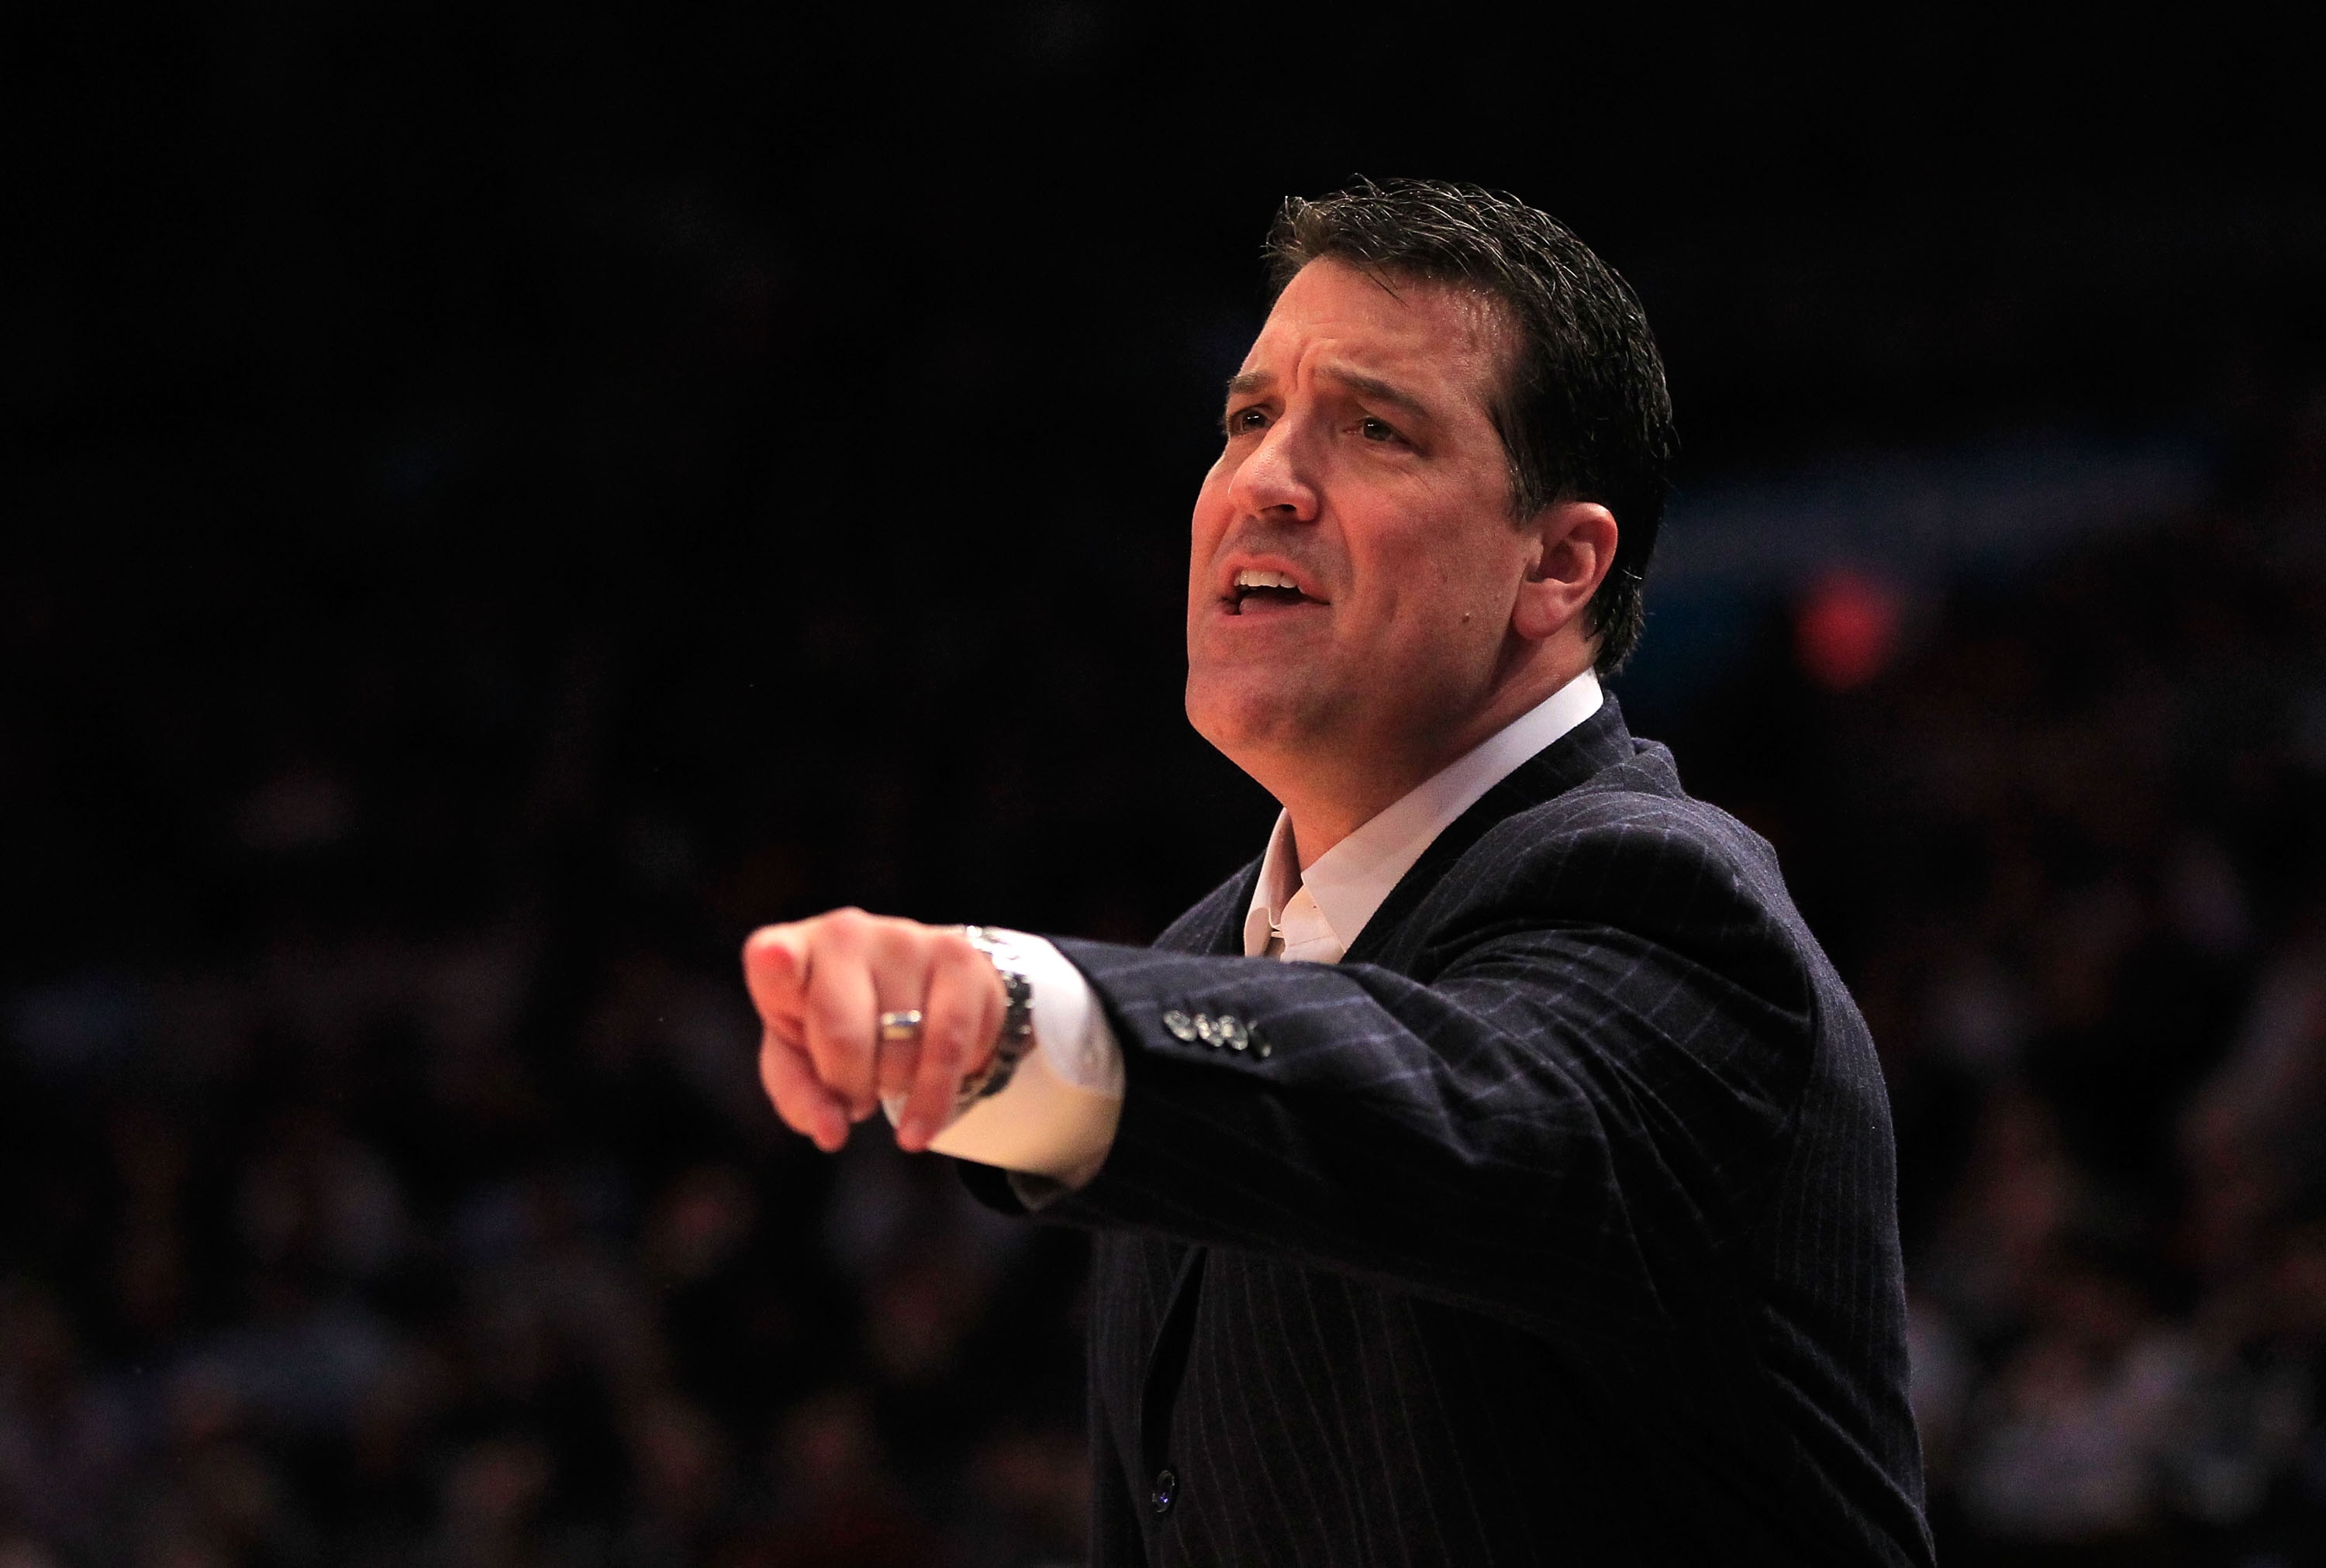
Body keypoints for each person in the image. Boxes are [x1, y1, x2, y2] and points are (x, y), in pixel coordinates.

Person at [741, 178, 1934, 1565]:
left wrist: (1023, 1017)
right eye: (1248, 419)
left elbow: (1446, 1091)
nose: (1262, 480)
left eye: (1375, 430)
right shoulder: (1207, 958)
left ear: (1556, 566)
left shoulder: (1667, 904)